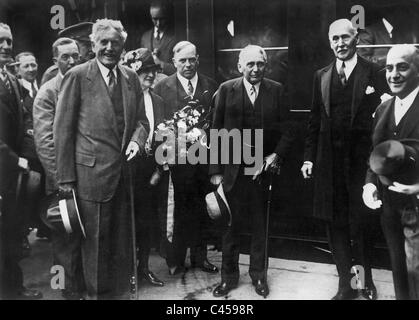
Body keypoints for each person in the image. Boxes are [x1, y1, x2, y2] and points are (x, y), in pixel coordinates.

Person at [53, 19, 149, 299]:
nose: (109, 48)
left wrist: (136, 140)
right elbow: (63, 131)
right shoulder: (77, 76)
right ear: (93, 44)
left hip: (124, 178)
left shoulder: (130, 77)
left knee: (121, 246)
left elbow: (142, 121)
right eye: (103, 42)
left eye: (115, 43)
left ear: (123, 46)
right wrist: (66, 179)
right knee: (94, 246)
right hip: (90, 179)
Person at [301, 19, 386, 300]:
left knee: (360, 225)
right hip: (329, 165)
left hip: (361, 165)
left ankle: (363, 281)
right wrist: (309, 158)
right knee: (334, 226)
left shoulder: (374, 72)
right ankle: (345, 285)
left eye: (345, 37)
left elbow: (384, 121)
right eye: (335, 38)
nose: (340, 43)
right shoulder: (321, 75)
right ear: (329, 41)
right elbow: (314, 121)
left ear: (356, 39)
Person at [209, 44, 294, 298]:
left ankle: (259, 277)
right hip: (233, 172)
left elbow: (289, 130)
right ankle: (228, 279)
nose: (256, 69)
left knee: (260, 226)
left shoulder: (276, 91)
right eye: (250, 64)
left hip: (262, 173)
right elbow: (215, 132)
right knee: (230, 227)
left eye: (260, 64)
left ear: (265, 66)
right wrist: (216, 171)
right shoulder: (226, 90)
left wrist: (275, 155)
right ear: (240, 67)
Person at [153, 41, 219, 276]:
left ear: (198, 59)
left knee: (200, 209)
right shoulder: (162, 88)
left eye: (192, 59)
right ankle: (175, 259)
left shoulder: (211, 86)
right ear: (174, 62)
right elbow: (158, 127)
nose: (188, 65)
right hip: (175, 162)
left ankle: (201, 258)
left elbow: (216, 126)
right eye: (183, 60)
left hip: (202, 160)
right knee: (176, 211)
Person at [363, 44, 419, 300]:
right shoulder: (383, 109)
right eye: (389, 67)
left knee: (416, 271)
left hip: (417, 208)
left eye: (402, 67)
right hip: (389, 208)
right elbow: (376, 153)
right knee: (398, 269)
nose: (393, 74)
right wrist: (370, 184)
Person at [33, 37, 84, 299]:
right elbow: (44, 143)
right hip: (62, 182)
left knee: (81, 237)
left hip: (85, 176)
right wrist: (61, 181)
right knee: (63, 240)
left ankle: (80, 287)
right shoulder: (48, 93)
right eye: (66, 57)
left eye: (76, 55)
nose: (73, 61)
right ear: (55, 60)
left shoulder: (83, 84)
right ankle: (67, 291)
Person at [0, 22, 42, 299]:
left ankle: (13, 289)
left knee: (11, 232)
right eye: (0, 41)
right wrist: (16, 161)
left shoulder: (12, 80)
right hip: (6, 165)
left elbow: (26, 124)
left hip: (12, 173)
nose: (5, 47)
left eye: (8, 41)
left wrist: (27, 159)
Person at [122, 48, 165, 287]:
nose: (150, 75)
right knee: (129, 222)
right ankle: (128, 272)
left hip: (151, 167)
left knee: (148, 220)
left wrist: (160, 169)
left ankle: (144, 268)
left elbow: (166, 135)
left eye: (154, 71)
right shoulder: (126, 97)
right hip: (128, 167)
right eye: (145, 71)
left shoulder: (158, 100)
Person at [14, 52, 49, 244]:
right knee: (28, 192)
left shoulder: (41, 88)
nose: (31, 69)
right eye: (26, 66)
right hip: (28, 152)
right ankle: (22, 234)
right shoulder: (17, 91)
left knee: (44, 190)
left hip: (42, 149)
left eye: (33, 65)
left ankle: (44, 227)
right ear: (18, 69)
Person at [140, 0, 176, 76]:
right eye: (155, 19)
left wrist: (161, 64)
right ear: (151, 17)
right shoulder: (145, 37)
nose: (158, 23)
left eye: (162, 19)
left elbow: (181, 68)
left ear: (167, 16)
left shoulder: (176, 37)